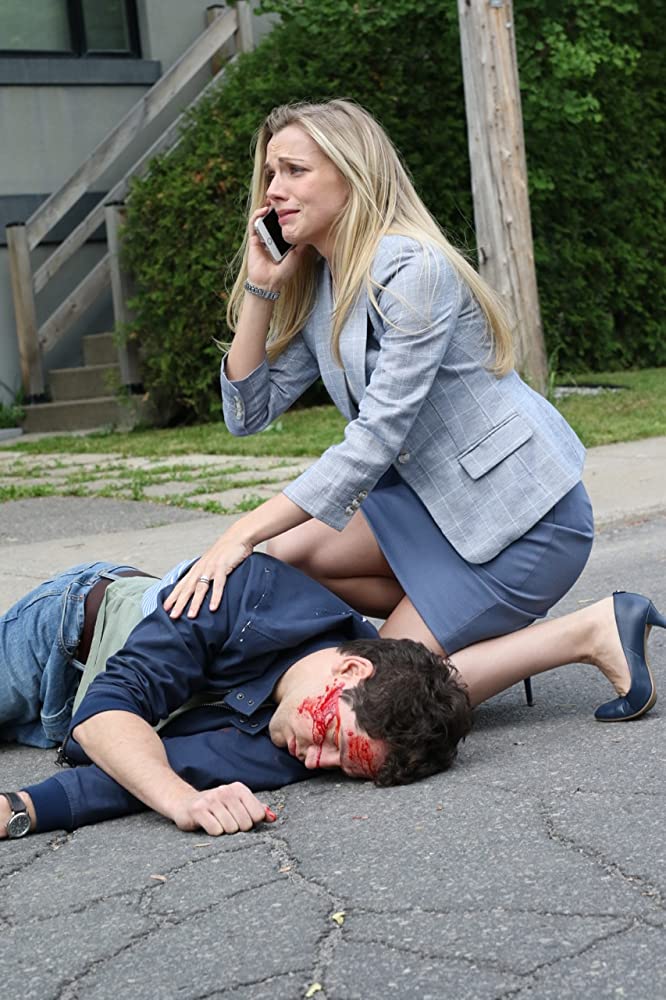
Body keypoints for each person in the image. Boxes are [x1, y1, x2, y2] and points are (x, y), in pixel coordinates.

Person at [163, 99, 595, 694]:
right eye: (270, 174)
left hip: (524, 520)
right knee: (285, 555)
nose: (274, 191)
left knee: (366, 698)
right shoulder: (324, 282)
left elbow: (375, 440)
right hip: (432, 511)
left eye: (295, 171)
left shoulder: (412, 269)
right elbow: (246, 413)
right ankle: (461, 629)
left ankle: (588, 632)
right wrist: (261, 289)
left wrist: (242, 528)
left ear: (352, 175)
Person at [1, 555, 664, 840]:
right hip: (61, 635)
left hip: (73, 718)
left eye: (341, 766)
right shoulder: (239, 594)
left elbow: (147, 773)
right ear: (347, 670)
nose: (313, 762)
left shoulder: (309, 740)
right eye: (333, 741)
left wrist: (22, 810)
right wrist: (183, 803)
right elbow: (106, 719)